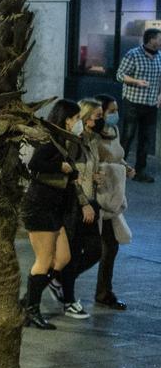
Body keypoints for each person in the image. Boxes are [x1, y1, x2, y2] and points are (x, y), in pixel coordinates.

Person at [21, 99, 81, 330]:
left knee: (63, 258)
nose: (79, 123)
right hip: (40, 206)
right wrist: (61, 168)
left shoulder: (65, 141)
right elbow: (35, 164)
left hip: (54, 208)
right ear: (67, 119)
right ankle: (31, 312)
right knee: (43, 260)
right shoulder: (50, 140)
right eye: (77, 119)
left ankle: (28, 300)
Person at [47, 99, 104, 320]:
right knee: (71, 253)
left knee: (94, 251)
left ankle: (57, 279)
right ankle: (68, 299)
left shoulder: (90, 140)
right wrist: (83, 203)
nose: (101, 120)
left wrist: (96, 177)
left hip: (91, 201)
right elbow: (71, 178)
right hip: (76, 205)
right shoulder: (71, 143)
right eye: (97, 116)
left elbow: (87, 170)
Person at [93, 94, 133, 311]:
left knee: (110, 246)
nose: (115, 115)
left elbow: (117, 157)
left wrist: (125, 167)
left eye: (116, 110)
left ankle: (104, 292)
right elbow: (89, 160)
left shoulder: (115, 131)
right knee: (89, 248)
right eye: (111, 111)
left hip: (112, 197)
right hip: (96, 195)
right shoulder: (91, 135)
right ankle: (55, 280)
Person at [115, 28, 161, 183]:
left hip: (151, 104)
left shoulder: (160, 56)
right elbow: (120, 75)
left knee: (145, 139)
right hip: (133, 102)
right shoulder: (133, 54)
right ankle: (118, 169)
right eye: (159, 38)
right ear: (151, 40)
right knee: (128, 136)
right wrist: (136, 81)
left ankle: (140, 171)